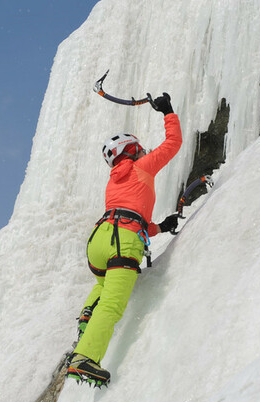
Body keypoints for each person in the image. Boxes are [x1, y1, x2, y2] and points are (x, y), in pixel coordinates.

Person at [66, 92, 182, 386]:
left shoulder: (113, 181)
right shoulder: (141, 168)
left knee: (104, 284)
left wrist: (159, 228)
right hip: (123, 240)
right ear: (132, 151)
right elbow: (172, 145)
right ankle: (85, 358)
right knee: (113, 305)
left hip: (99, 241)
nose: (144, 152)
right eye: (140, 148)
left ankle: (86, 316)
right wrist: (167, 112)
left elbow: (132, 214)